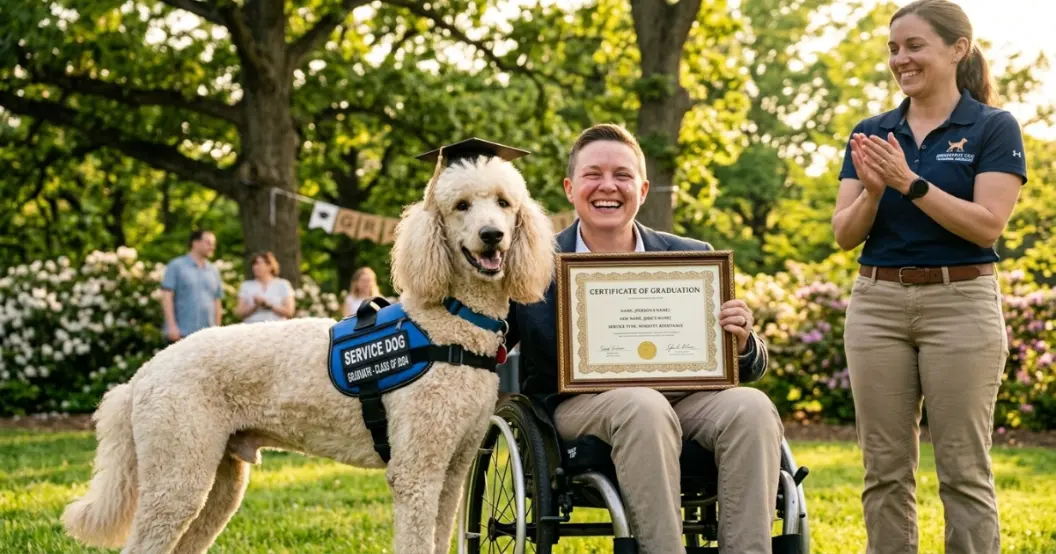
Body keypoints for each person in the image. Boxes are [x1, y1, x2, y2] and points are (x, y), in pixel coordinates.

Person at [506, 123, 781, 554]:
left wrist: (743, 341)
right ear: (569, 187)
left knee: (751, 407)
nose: (608, 186)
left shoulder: (691, 258)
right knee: (642, 404)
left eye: (622, 175)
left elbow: (750, 366)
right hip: (577, 406)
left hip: (683, 398)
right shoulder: (533, 263)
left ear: (644, 188)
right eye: (593, 174)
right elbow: (490, 340)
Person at [831, 1, 1027, 552]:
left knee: (964, 471)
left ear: (957, 48)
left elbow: (987, 227)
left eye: (914, 46)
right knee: (884, 470)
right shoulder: (873, 131)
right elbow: (845, 234)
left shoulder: (992, 126)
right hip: (877, 305)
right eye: (893, 48)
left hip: (960, 303)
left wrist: (909, 182)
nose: (900, 59)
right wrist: (873, 190)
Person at [160, 230, 224, 342]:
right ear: (195, 243)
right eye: (208, 242)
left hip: (207, 336)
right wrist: (171, 326)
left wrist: (217, 330)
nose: (212, 247)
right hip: (181, 334)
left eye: (213, 244)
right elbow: (167, 297)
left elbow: (217, 302)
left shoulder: (214, 271)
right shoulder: (176, 266)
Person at [234, 251, 295, 323]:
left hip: (277, 329)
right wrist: (255, 306)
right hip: (251, 329)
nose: (256, 267)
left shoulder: (283, 284)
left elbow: (290, 312)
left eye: (259, 263)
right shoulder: (246, 285)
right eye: (254, 264)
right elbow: (238, 313)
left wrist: (268, 305)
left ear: (270, 266)